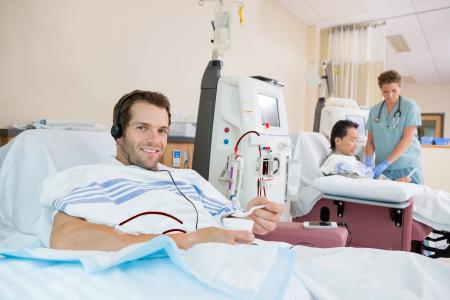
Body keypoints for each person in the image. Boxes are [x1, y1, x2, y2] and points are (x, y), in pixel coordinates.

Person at [45, 90, 284, 251]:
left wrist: (250, 217)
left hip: (229, 260)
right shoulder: (97, 178)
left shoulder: (189, 179)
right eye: (142, 128)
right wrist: (190, 240)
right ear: (117, 131)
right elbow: (65, 237)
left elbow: (227, 219)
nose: (154, 140)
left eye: (162, 131)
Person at [365, 70, 423, 184]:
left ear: (400, 88)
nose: (390, 95)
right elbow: (370, 142)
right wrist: (367, 162)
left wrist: (386, 162)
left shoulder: (410, 107)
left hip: (406, 166)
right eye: (385, 92)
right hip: (384, 169)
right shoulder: (375, 110)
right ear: (381, 90)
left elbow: (407, 139)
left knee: (414, 199)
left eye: (394, 91)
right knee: (384, 200)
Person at [321, 120, 410, 182]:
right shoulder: (335, 161)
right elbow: (357, 183)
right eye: (352, 140)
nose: (355, 145)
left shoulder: (349, 159)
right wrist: (390, 185)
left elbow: (369, 175)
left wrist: (394, 182)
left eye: (356, 140)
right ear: (338, 141)